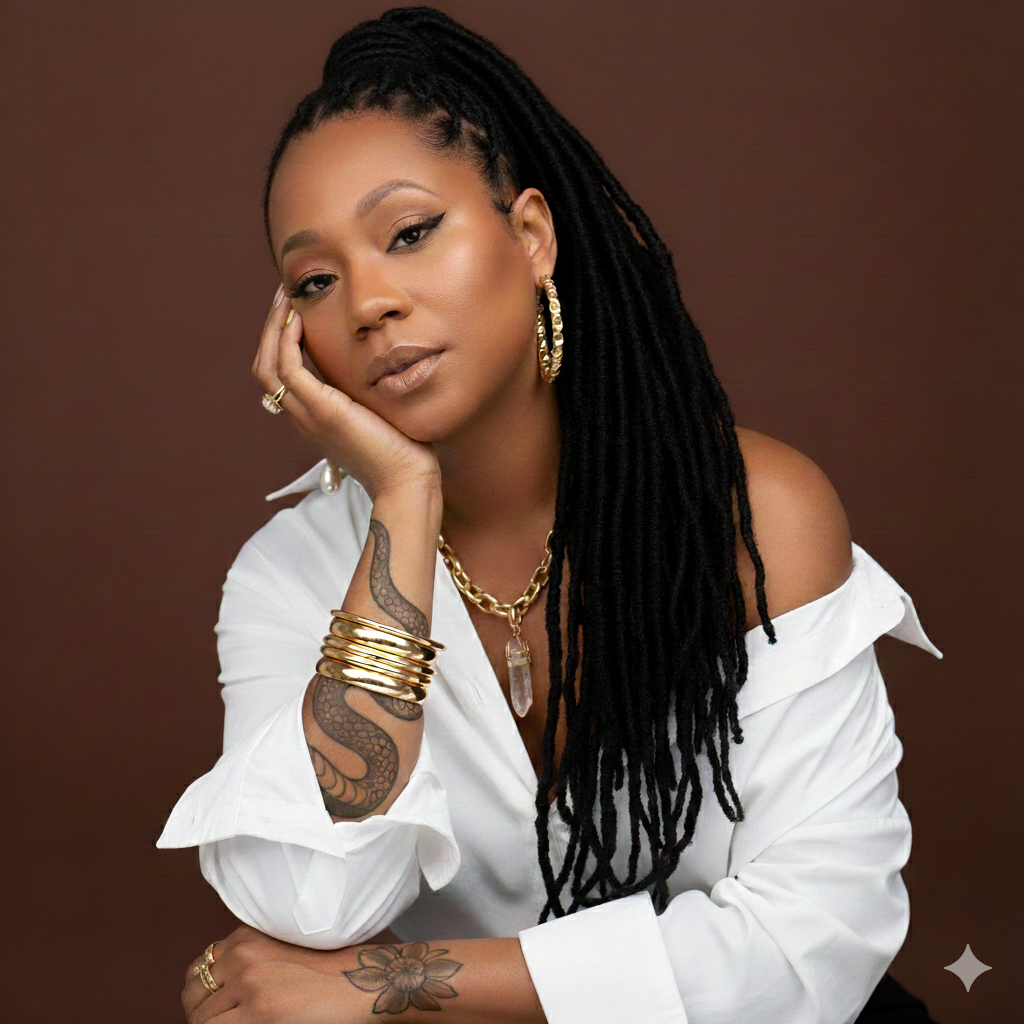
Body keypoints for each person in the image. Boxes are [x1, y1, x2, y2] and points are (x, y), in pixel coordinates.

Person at [159, 8, 942, 1023]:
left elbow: (812, 947)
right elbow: (310, 905)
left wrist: (389, 983)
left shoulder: (752, 519)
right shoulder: (290, 574)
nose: (369, 302)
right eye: (316, 280)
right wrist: (403, 503)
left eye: (409, 233)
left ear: (530, 237)